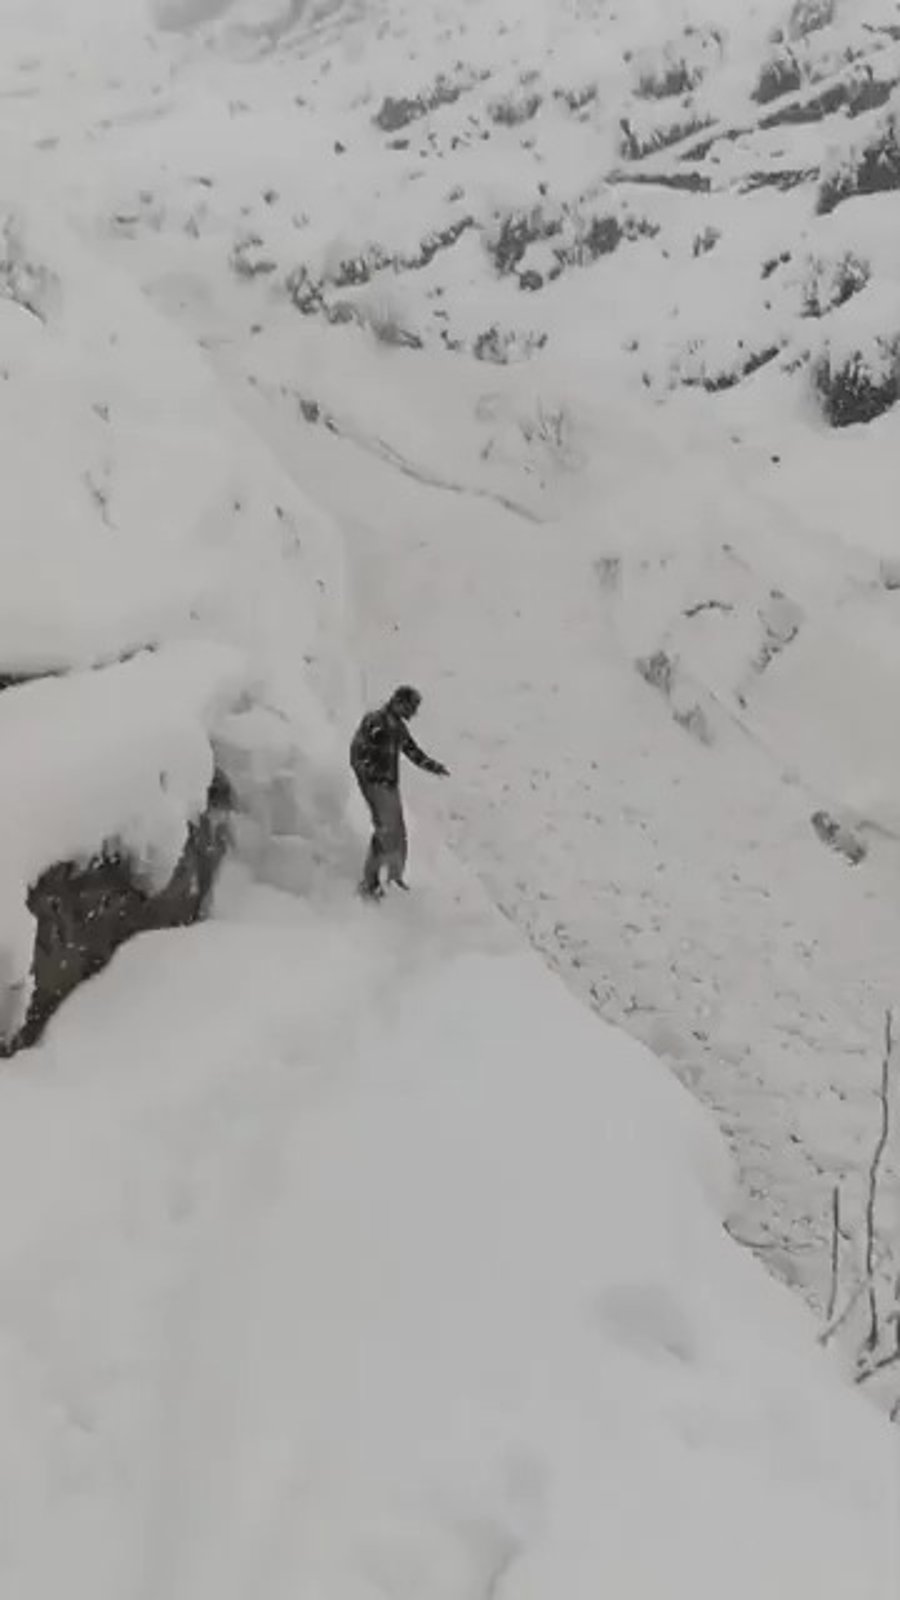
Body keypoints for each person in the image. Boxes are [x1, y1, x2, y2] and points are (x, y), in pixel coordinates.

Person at [349, 684, 448, 898]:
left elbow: (413, 752)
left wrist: (434, 766)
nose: (413, 713)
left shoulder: (398, 728)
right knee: (386, 830)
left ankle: (395, 877)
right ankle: (370, 882)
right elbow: (357, 752)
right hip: (376, 783)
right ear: (399, 703)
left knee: (399, 833)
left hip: (389, 785)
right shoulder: (376, 721)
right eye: (411, 707)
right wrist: (368, 774)